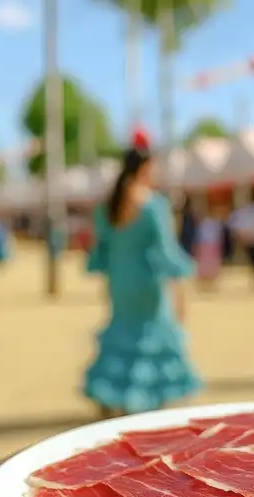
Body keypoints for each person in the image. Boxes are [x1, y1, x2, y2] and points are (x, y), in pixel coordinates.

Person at [83, 130, 201, 418]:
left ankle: (114, 397)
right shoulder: (153, 205)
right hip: (147, 282)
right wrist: (181, 281)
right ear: (145, 167)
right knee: (151, 338)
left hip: (120, 282)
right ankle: (143, 400)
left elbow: (101, 252)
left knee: (121, 335)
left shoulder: (108, 207)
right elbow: (166, 252)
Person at [195, 202, 226, 289]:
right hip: (206, 245)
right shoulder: (207, 222)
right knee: (205, 264)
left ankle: (210, 283)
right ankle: (204, 283)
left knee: (212, 264)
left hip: (213, 245)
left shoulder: (215, 223)